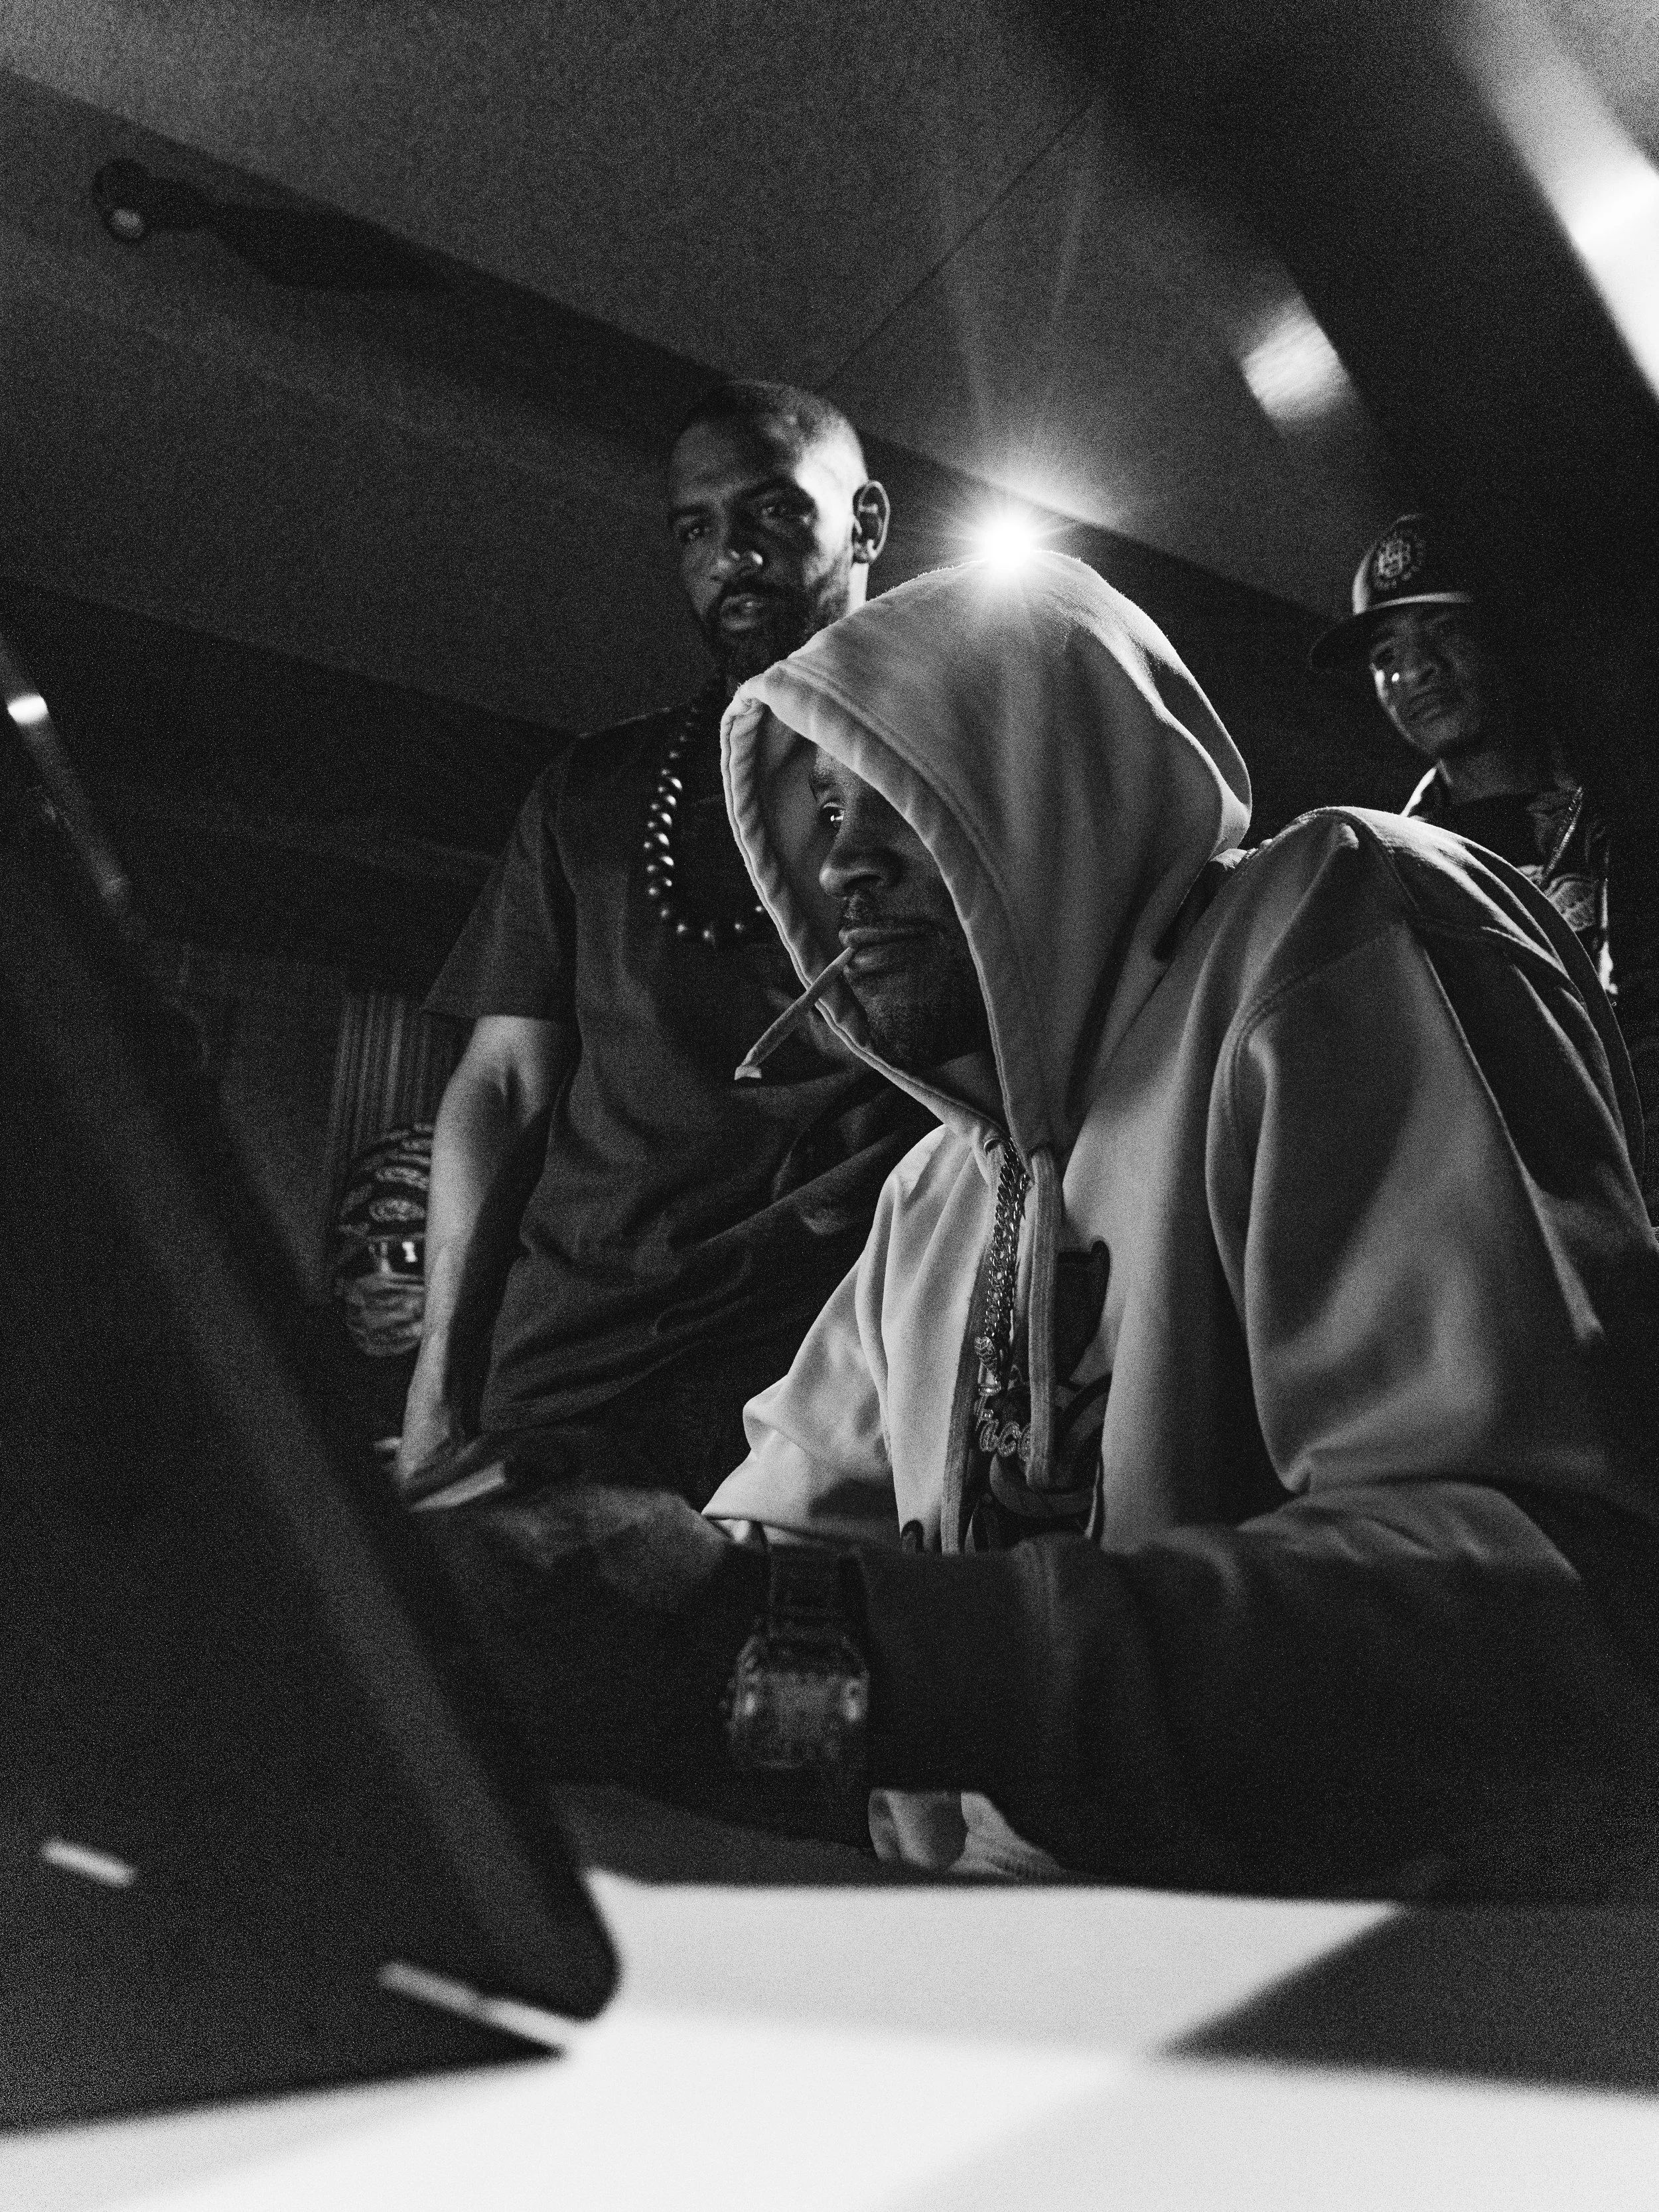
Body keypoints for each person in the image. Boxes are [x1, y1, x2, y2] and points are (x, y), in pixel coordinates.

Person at [425, 553, 1659, 1900]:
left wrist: (819, 1640)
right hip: (1030, 1965)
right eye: (823, 808)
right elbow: (765, 1557)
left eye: (898, 788)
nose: (840, 861)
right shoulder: (937, 1195)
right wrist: (538, 1607)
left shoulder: (1340, 922)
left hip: (1404, 1983)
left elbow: (1542, 1616)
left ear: (1049, 780)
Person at [397, 381, 929, 1505]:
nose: (730, 553)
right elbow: (501, 1085)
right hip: (566, 1368)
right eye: (695, 529)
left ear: (867, 522)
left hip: (829, 1378)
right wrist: (437, 1382)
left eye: (771, 511)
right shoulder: (592, 791)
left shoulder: (949, 782)